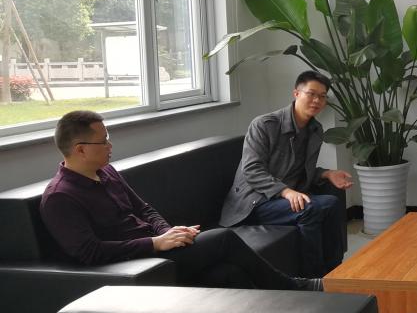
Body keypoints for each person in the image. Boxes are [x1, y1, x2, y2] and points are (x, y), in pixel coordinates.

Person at [40, 111, 322, 291]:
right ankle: (295, 288)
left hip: (157, 247)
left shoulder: (107, 172)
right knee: (224, 238)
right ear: (80, 149)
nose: (110, 146)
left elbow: (144, 209)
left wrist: (168, 233)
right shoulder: (60, 197)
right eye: (103, 141)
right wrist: (155, 243)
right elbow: (90, 252)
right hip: (135, 261)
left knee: (229, 272)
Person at [220, 71, 354, 277]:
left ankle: (335, 271)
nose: (317, 100)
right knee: (311, 209)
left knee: (332, 202)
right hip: (253, 202)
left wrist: (327, 174)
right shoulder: (264, 125)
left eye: (322, 96)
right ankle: (314, 278)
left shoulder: (315, 130)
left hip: (283, 199)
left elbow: (301, 170)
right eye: (311, 94)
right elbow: (252, 170)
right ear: (296, 93)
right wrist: (286, 192)